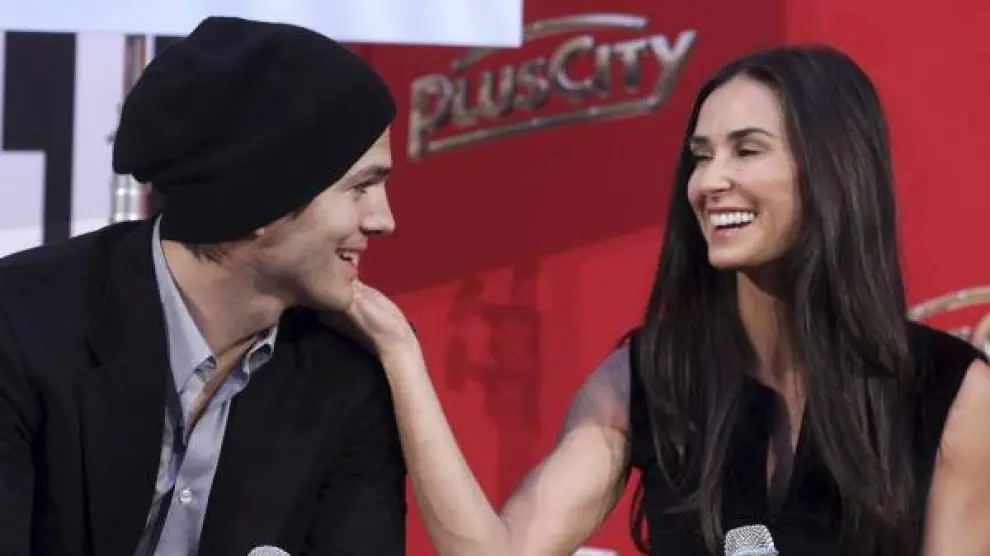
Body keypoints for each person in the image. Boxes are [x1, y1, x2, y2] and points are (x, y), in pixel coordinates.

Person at [335, 46, 990, 555]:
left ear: (833, 170)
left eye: (746, 150)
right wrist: (401, 354)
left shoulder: (952, 396)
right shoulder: (649, 379)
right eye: (701, 156)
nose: (710, 181)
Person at [0, 16, 405, 556]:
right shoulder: (20, 328)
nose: (383, 221)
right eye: (360, 188)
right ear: (264, 200)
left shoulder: (344, 373)